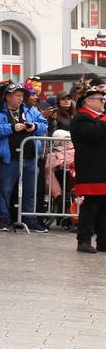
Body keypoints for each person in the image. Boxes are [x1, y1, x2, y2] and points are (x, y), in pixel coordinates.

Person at [0, 82, 49, 232]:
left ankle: (30, 218)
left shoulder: (30, 110)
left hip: (30, 157)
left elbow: (44, 124)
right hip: (9, 158)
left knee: (30, 190)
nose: (20, 99)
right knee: (5, 190)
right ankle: (3, 220)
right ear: (7, 97)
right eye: (17, 95)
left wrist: (34, 126)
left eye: (22, 96)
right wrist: (11, 127)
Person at [70, 84, 106, 253]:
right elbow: (95, 134)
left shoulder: (98, 117)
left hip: (102, 168)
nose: (102, 102)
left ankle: (103, 241)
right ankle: (83, 240)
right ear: (88, 102)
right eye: (100, 99)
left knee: (104, 206)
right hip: (91, 169)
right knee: (91, 205)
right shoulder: (81, 118)